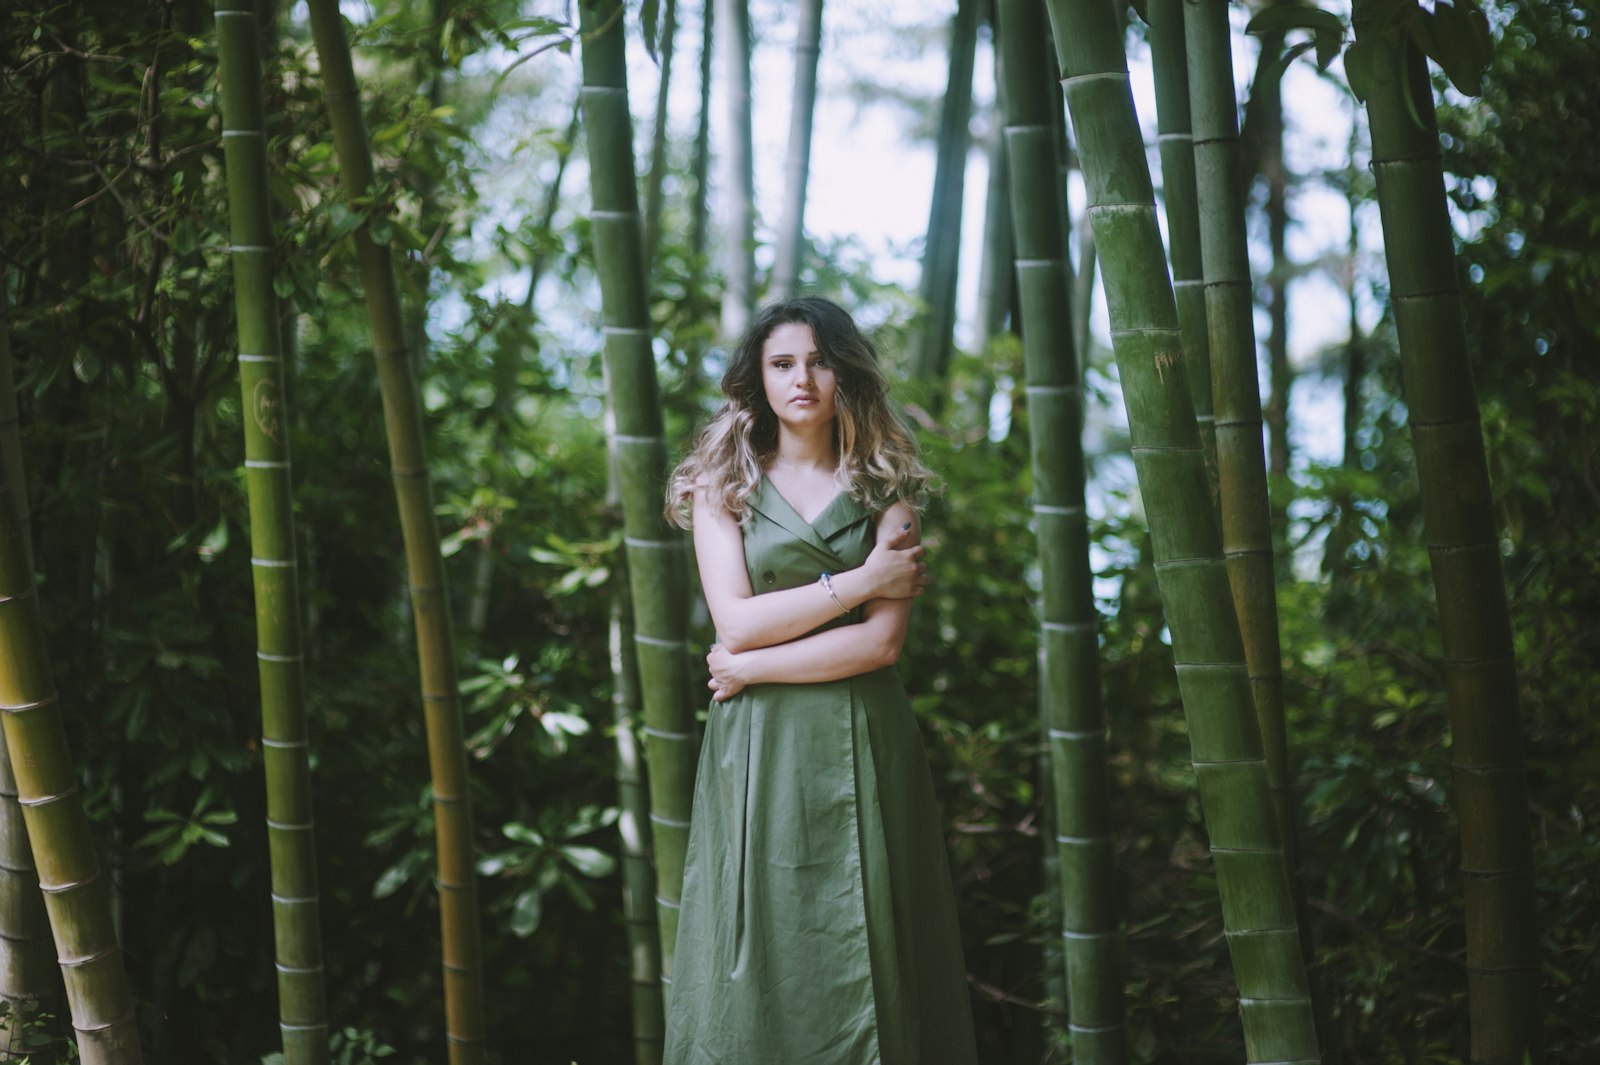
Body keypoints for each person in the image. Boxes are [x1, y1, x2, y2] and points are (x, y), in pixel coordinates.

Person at [661, 297, 979, 1064]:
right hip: (760, 743)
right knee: (757, 935)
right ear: (757, 379)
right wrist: (864, 577)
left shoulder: (885, 488)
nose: (802, 378)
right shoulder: (721, 485)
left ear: (844, 372)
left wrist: (750, 664)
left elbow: (879, 646)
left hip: (860, 733)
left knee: (871, 929)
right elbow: (732, 620)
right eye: (782, 363)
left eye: (818, 360)